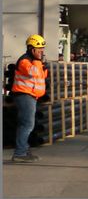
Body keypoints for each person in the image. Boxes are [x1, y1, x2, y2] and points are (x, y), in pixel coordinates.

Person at [10, 34, 48, 163]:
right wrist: (38, 61)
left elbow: (40, 77)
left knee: (28, 124)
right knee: (27, 124)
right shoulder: (25, 61)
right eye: (40, 50)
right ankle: (20, 152)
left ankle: (24, 150)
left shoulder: (34, 61)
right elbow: (32, 73)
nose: (42, 52)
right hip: (24, 95)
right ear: (32, 49)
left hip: (31, 96)